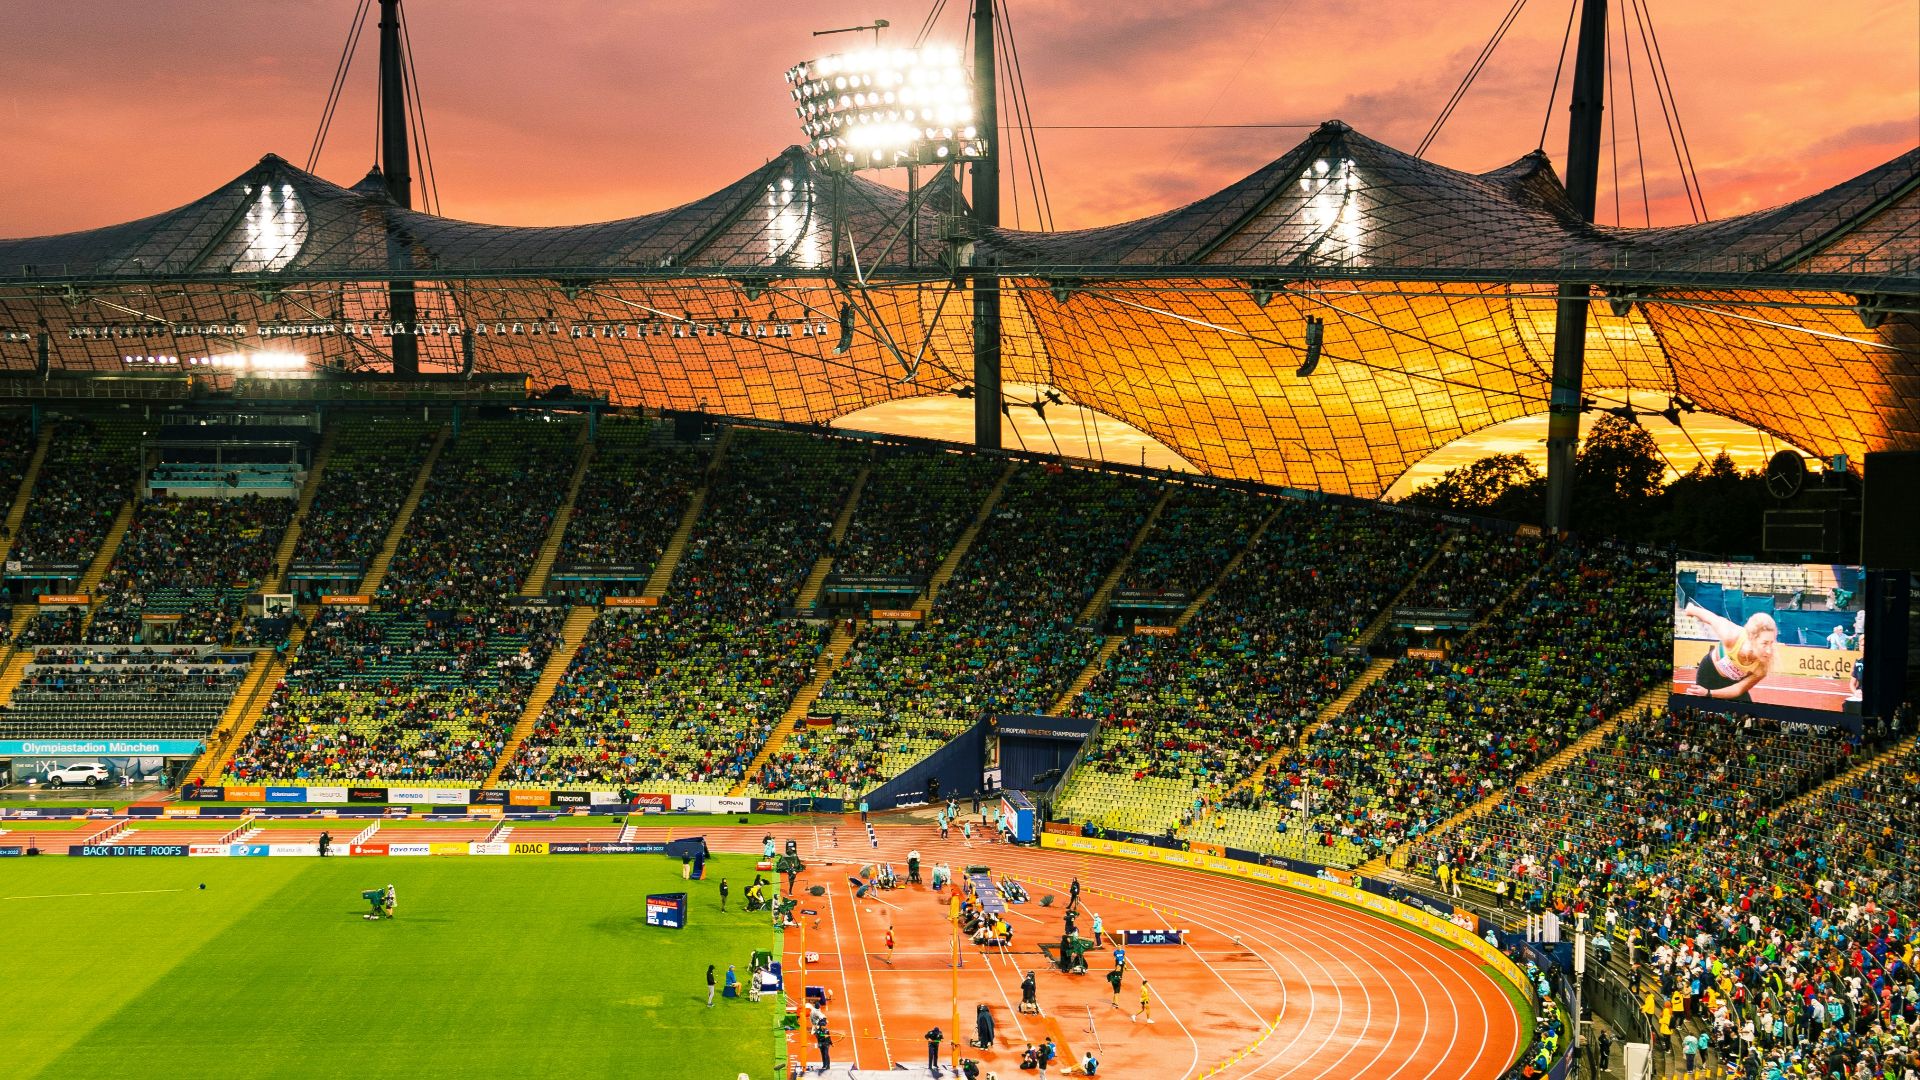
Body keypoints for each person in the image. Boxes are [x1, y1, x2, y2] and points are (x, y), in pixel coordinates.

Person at [1682, 602, 1776, 701]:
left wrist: (1709, 693)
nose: (1769, 651)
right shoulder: (1731, 636)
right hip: (1709, 673)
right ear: (1752, 638)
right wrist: (1692, 610)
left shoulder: (1763, 666)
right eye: (1764, 643)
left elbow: (1738, 689)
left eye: (1771, 643)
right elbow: (1713, 619)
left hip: (1733, 683)